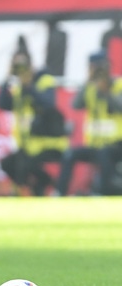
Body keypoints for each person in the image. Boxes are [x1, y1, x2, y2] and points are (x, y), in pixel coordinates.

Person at [0, 51, 69, 196]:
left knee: (25, 163)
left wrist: (29, 86)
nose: (21, 70)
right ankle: (40, 186)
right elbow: (3, 104)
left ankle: (41, 187)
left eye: (23, 65)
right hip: (29, 144)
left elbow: (48, 104)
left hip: (49, 142)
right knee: (7, 164)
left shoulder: (44, 80)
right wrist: (7, 78)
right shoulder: (18, 86)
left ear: (31, 65)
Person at [55, 51, 122, 195]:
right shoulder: (90, 88)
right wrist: (88, 81)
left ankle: (103, 193)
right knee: (70, 154)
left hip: (116, 144)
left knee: (104, 154)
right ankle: (60, 192)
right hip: (95, 144)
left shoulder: (118, 85)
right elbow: (75, 104)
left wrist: (107, 91)